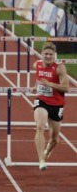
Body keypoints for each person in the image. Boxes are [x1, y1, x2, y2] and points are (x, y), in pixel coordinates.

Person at [32, 42, 69, 171]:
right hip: (42, 101)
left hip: (57, 104)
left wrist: (50, 84)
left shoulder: (59, 68)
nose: (48, 57)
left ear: (54, 55)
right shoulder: (37, 64)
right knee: (39, 126)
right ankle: (41, 159)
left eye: (50, 55)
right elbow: (38, 78)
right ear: (41, 54)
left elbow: (66, 88)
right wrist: (35, 87)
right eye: (46, 54)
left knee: (54, 139)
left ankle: (48, 150)